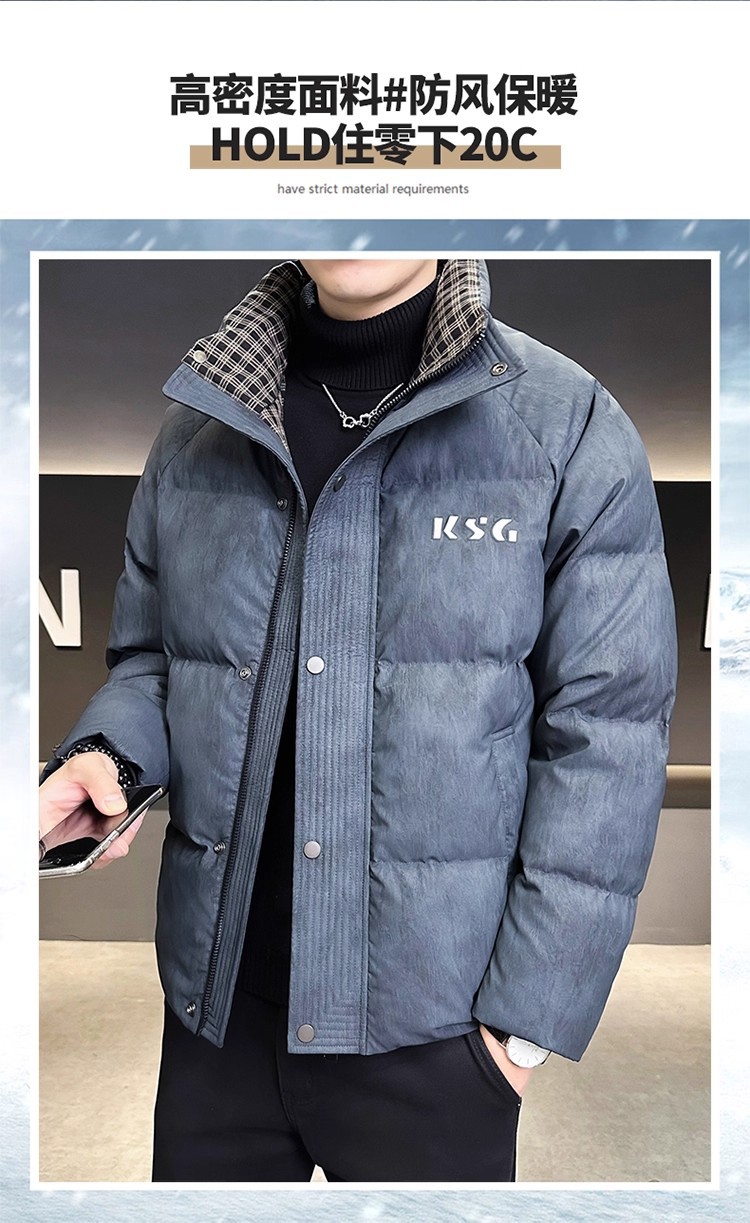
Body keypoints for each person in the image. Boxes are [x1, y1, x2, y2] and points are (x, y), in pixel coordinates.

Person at [39, 257, 678, 1182]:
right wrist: (108, 755)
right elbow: (154, 660)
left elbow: (607, 734)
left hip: (438, 1046)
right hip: (217, 1023)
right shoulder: (200, 426)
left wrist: (521, 1034)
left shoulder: (565, 424)